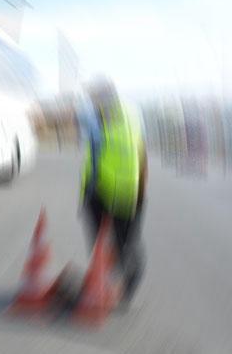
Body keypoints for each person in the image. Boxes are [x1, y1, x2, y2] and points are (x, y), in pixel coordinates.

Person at [79, 77, 147, 304]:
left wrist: (87, 194)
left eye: (94, 98)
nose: (91, 102)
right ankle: (113, 285)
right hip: (114, 191)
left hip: (116, 192)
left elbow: (139, 153)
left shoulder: (113, 116)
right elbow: (139, 151)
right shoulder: (119, 114)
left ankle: (117, 280)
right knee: (113, 243)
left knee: (114, 242)